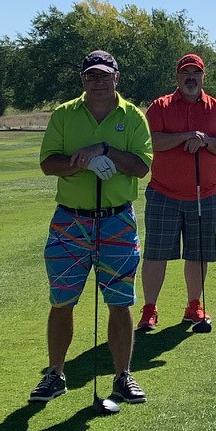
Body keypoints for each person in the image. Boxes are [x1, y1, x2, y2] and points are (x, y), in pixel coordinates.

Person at [30, 50, 154, 408]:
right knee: (62, 300)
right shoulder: (65, 115)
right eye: (91, 76)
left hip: (117, 219)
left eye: (104, 75)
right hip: (70, 221)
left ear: (117, 77)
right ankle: (55, 373)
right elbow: (47, 163)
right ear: (82, 80)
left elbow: (141, 167)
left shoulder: (132, 117)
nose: (97, 82)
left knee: (120, 302)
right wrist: (79, 163)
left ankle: (122, 377)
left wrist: (106, 150)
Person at [141, 53, 216, 330]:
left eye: (196, 73)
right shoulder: (160, 106)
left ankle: (194, 305)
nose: (191, 78)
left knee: (198, 253)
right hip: (163, 193)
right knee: (156, 253)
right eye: (186, 73)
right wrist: (185, 136)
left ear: (203, 77)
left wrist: (206, 141)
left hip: (205, 194)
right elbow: (151, 142)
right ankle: (150, 309)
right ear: (177, 78)